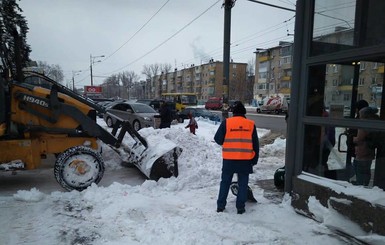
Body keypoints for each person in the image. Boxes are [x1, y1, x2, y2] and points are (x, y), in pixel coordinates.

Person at [214, 101, 259, 214]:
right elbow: (255, 144)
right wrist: (254, 159)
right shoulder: (250, 124)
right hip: (245, 160)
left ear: (233, 112)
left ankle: (220, 206)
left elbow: (218, 139)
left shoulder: (227, 123)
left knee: (225, 182)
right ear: (244, 112)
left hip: (229, 160)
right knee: (243, 184)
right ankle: (240, 208)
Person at [352, 107, 379, 186]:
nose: (359, 116)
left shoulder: (364, 124)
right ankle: (364, 184)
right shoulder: (373, 122)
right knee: (366, 170)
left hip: (362, 150)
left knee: (359, 168)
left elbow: (359, 138)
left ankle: (360, 184)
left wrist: (352, 138)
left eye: (360, 114)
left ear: (364, 115)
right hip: (369, 151)